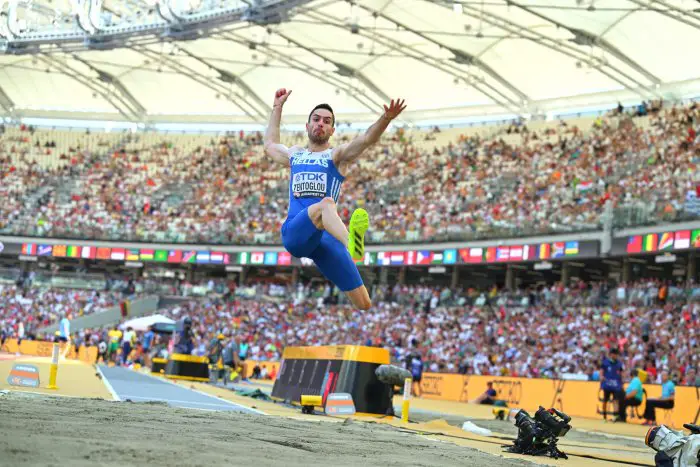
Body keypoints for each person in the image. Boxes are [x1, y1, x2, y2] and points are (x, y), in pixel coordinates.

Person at [263, 88, 406, 310]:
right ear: (307, 126)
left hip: (325, 240)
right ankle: (351, 242)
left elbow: (366, 139)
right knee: (326, 204)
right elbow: (270, 145)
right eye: (316, 119)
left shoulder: (336, 156)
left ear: (332, 130)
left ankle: (349, 244)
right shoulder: (295, 155)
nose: (321, 123)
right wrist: (277, 107)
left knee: (364, 303)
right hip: (295, 234)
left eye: (326, 121)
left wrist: (385, 118)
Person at [600, 347, 624, 421]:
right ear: (610, 354)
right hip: (607, 385)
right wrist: (601, 377)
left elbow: (622, 373)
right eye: (613, 354)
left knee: (615, 400)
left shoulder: (619, 364)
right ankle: (604, 416)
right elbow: (601, 371)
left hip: (616, 385)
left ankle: (615, 416)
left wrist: (622, 382)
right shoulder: (605, 362)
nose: (615, 355)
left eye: (616, 354)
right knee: (605, 401)